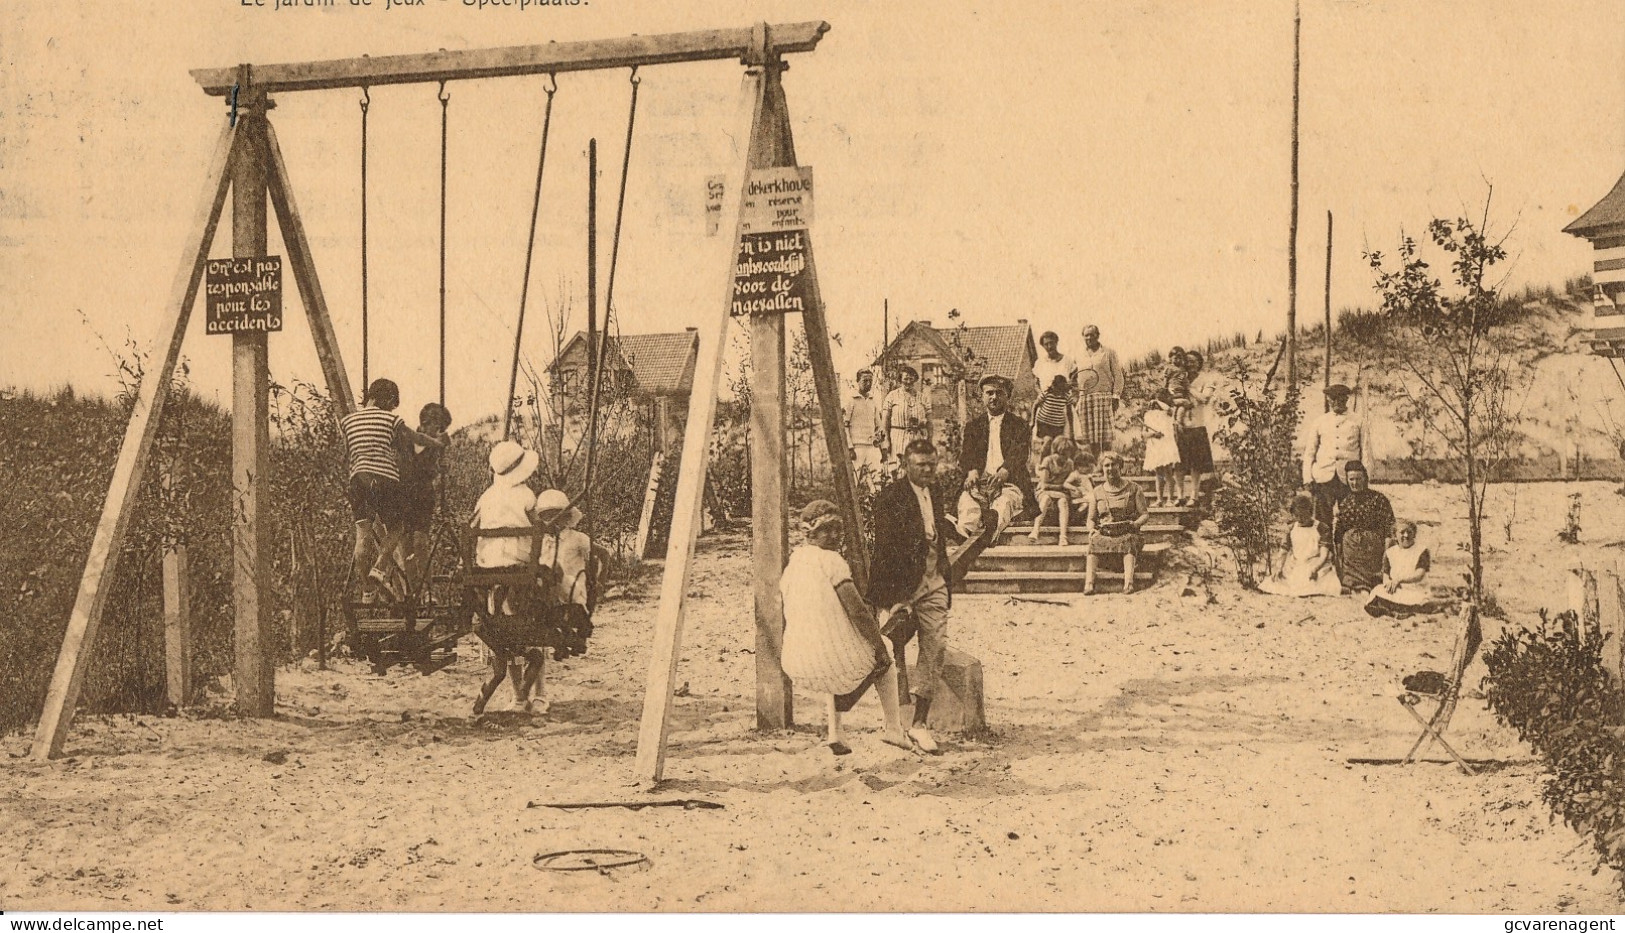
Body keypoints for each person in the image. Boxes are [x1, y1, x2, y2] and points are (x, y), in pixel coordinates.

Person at [780, 500, 912, 756]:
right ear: (810, 533)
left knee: (832, 642)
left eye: (838, 529)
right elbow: (859, 613)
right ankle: (894, 728)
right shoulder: (832, 561)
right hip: (828, 664)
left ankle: (835, 733)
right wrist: (879, 650)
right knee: (885, 648)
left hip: (796, 662)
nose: (834, 536)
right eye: (826, 529)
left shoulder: (796, 561)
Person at [867, 439, 957, 754]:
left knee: (935, 647)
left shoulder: (938, 492)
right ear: (906, 465)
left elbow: (937, 535)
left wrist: (943, 573)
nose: (928, 470)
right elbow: (884, 552)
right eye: (921, 465)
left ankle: (919, 724)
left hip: (933, 580)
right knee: (889, 652)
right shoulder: (890, 498)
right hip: (902, 584)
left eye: (932, 464)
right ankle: (893, 722)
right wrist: (893, 598)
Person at [339, 377, 446, 603]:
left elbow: (348, 453)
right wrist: (436, 443)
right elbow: (412, 438)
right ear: (386, 399)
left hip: (358, 480)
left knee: (362, 536)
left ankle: (367, 590)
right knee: (396, 528)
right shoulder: (390, 419)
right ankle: (379, 566)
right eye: (391, 403)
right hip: (385, 480)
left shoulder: (347, 421)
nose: (390, 408)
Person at [959, 374, 1033, 540]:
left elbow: (1020, 452)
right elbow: (966, 454)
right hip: (980, 484)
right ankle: (964, 534)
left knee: (1004, 503)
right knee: (968, 504)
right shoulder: (974, 426)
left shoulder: (1019, 425)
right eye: (989, 393)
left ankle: (992, 528)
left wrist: (1006, 469)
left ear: (1007, 396)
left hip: (1009, 482)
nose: (994, 397)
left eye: (999, 393)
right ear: (982, 396)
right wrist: (971, 471)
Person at [471, 439, 541, 616]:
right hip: (518, 557)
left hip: (488, 559)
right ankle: (520, 608)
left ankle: (501, 601)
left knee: (499, 557)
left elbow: (472, 525)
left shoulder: (486, 496)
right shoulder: (526, 494)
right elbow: (537, 523)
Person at [399, 402, 452, 594]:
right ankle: (412, 593)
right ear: (426, 423)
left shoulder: (437, 446)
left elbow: (435, 470)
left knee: (420, 544)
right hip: (404, 497)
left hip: (423, 497)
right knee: (406, 546)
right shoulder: (406, 440)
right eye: (436, 427)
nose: (438, 432)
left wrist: (441, 467)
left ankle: (428, 591)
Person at [1302, 384, 1368, 530]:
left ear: (1347, 399)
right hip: (1323, 478)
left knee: (1350, 518)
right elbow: (1309, 452)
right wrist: (1307, 478)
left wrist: (1366, 478)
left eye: (1340, 399)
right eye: (1333, 399)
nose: (1337, 402)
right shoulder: (1319, 422)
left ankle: (1344, 551)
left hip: (1349, 480)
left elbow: (1366, 450)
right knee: (1322, 520)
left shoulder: (1358, 421)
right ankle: (1327, 551)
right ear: (1328, 400)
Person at [1084, 450, 1150, 595]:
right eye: (1106, 465)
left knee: (1129, 541)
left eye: (1114, 465)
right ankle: (1089, 583)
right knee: (1094, 541)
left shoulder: (1134, 488)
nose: (1110, 469)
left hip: (1127, 532)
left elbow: (1144, 514)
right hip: (1106, 533)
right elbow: (1090, 519)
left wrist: (1135, 524)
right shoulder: (1097, 491)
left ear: (1120, 467)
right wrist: (1091, 529)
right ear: (1102, 469)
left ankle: (1128, 583)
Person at [1258, 492, 1341, 597]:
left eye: (1304, 515)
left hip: (1316, 562)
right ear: (1292, 514)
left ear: (1310, 513)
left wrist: (1315, 568)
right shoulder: (1292, 528)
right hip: (1297, 563)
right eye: (1297, 515)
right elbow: (1283, 551)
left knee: (1320, 583)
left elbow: (1324, 554)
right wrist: (1279, 567)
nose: (1300, 519)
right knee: (1278, 582)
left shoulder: (1321, 528)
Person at [1332, 460, 1394, 593]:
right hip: (1352, 551)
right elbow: (1339, 532)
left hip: (1372, 548)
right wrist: (1339, 558)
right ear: (1347, 480)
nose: (1355, 483)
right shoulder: (1345, 502)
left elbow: (1389, 529)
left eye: (1358, 479)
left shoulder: (1378, 499)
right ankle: (1354, 583)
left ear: (1365, 478)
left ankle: (1365, 584)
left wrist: (1387, 556)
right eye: (1351, 479)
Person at [1364, 520, 1434, 617]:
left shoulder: (1422, 551)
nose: (1406, 535)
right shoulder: (1390, 552)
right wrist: (1388, 584)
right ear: (1395, 535)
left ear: (1414, 534)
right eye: (1402, 532)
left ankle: (1396, 610)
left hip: (1416, 590)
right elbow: (1386, 575)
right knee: (1378, 590)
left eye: (1409, 532)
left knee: (1418, 600)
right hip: (1396, 589)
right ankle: (1395, 611)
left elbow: (1419, 575)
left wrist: (1399, 580)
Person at [1075, 324, 1124, 457]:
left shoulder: (1108, 352)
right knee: (1091, 437)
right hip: (1085, 398)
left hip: (1104, 397)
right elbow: (1075, 376)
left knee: (1106, 436)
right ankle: (1096, 465)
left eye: (1092, 334)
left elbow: (1118, 376)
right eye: (1086, 335)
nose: (1089, 338)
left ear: (1098, 336)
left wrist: (1116, 396)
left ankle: (1107, 464)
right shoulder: (1079, 355)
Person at [1177, 350, 1217, 500]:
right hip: (1181, 426)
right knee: (1179, 464)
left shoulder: (1205, 380)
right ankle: (1180, 496)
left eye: (1193, 361)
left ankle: (1194, 495)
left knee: (1196, 464)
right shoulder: (1180, 379)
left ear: (1199, 363)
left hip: (1197, 425)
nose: (1189, 364)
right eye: (1187, 361)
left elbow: (1204, 399)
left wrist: (1189, 389)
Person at [1030, 437, 1079, 546]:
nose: (1064, 458)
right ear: (1055, 452)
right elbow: (1044, 485)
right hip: (1045, 492)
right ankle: (1035, 530)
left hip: (1061, 494)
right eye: (1062, 454)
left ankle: (1063, 536)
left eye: (1067, 455)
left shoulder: (1070, 463)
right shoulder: (1048, 461)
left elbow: (1069, 482)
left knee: (1063, 502)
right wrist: (1062, 486)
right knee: (1046, 498)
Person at [882, 364, 930, 471]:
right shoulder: (892, 396)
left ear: (915, 379)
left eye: (911, 379)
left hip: (917, 438)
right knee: (898, 468)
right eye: (905, 379)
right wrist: (886, 440)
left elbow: (929, 421)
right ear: (900, 379)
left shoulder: (922, 397)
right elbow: (885, 421)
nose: (908, 382)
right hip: (897, 437)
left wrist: (929, 440)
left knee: (916, 468)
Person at [845, 369, 885, 481]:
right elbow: (845, 426)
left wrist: (881, 443)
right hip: (857, 447)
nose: (868, 383)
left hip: (872, 446)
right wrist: (850, 448)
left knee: (876, 477)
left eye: (870, 381)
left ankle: (875, 498)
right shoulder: (851, 400)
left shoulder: (873, 400)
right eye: (865, 380)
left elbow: (879, 425)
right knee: (854, 478)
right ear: (857, 381)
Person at [1032, 330, 1078, 424]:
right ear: (1043, 346)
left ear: (1056, 342)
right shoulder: (1039, 362)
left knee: (1064, 437)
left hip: (1063, 408)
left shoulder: (1067, 361)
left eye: (1051, 343)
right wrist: (1040, 394)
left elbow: (1075, 382)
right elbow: (1036, 383)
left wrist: (1070, 390)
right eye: (1046, 344)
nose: (1049, 346)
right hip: (1045, 408)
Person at [1142, 398, 1181, 506]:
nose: (1154, 405)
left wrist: (1157, 400)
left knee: (1168, 472)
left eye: (1156, 404)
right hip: (1155, 447)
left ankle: (1170, 499)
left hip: (1166, 445)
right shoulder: (1148, 416)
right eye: (1152, 403)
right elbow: (1144, 434)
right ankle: (1159, 499)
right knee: (1158, 474)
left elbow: (1169, 409)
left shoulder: (1168, 414)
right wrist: (1153, 434)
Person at [1030, 373, 1075, 441]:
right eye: (1056, 388)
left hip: (1057, 426)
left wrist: (1071, 429)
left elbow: (1070, 413)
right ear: (1053, 386)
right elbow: (1035, 405)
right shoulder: (1047, 393)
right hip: (1043, 423)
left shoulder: (1066, 396)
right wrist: (1032, 421)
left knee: (1055, 444)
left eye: (1060, 389)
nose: (1058, 392)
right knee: (1046, 441)